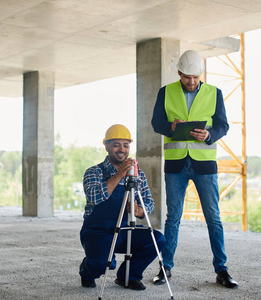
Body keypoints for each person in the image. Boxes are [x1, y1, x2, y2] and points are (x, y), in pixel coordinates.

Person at [151, 50, 238, 288]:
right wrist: (171, 126)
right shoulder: (166, 92)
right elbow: (156, 123)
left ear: (201, 74)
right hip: (176, 163)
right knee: (173, 218)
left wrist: (210, 134)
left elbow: (223, 125)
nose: (191, 82)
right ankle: (165, 267)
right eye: (187, 77)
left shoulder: (214, 93)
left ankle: (222, 270)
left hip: (204, 163)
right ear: (179, 73)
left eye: (196, 77)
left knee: (214, 218)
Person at [79, 124, 166, 291]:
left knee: (157, 239)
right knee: (102, 263)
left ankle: (128, 276)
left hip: (125, 230)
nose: (122, 149)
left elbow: (148, 201)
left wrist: (140, 210)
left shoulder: (137, 174)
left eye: (126, 145)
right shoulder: (94, 172)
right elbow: (94, 196)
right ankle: (87, 271)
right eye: (116, 144)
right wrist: (120, 174)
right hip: (98, 231)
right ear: (106, 146)